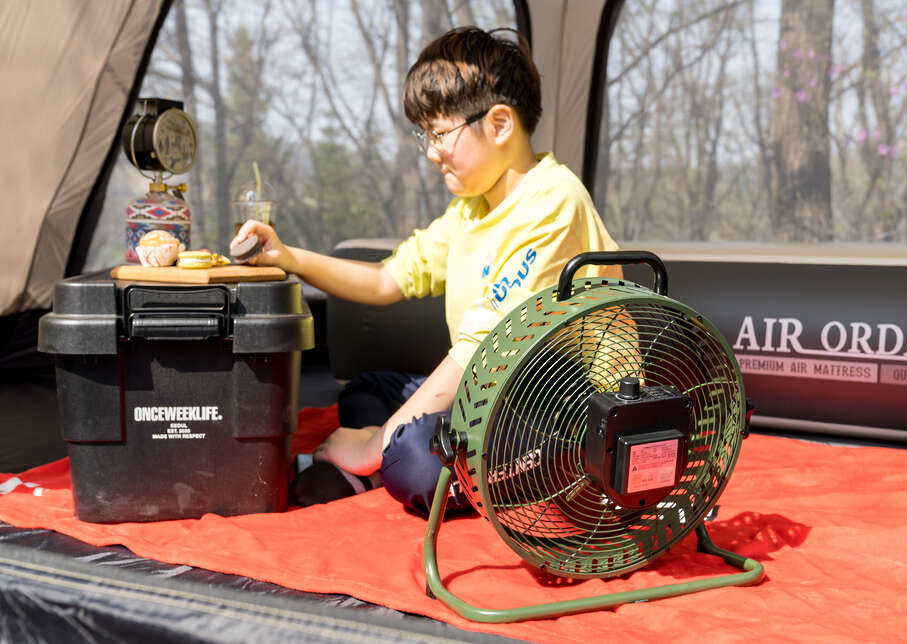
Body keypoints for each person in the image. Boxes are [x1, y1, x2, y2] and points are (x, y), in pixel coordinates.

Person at [232, 26, 621, 515]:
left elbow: (488, 349)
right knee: (368, 390)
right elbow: (385, 279)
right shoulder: (471, 210)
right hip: (489, 396)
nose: (432, 152)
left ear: (499, 124)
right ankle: (384, 460)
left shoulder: (553, 202)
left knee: (412, 458)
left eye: (440, 134)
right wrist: (287, 257)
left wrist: (377, 444)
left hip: (554, 413)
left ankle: (379, 464)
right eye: (426, 137)